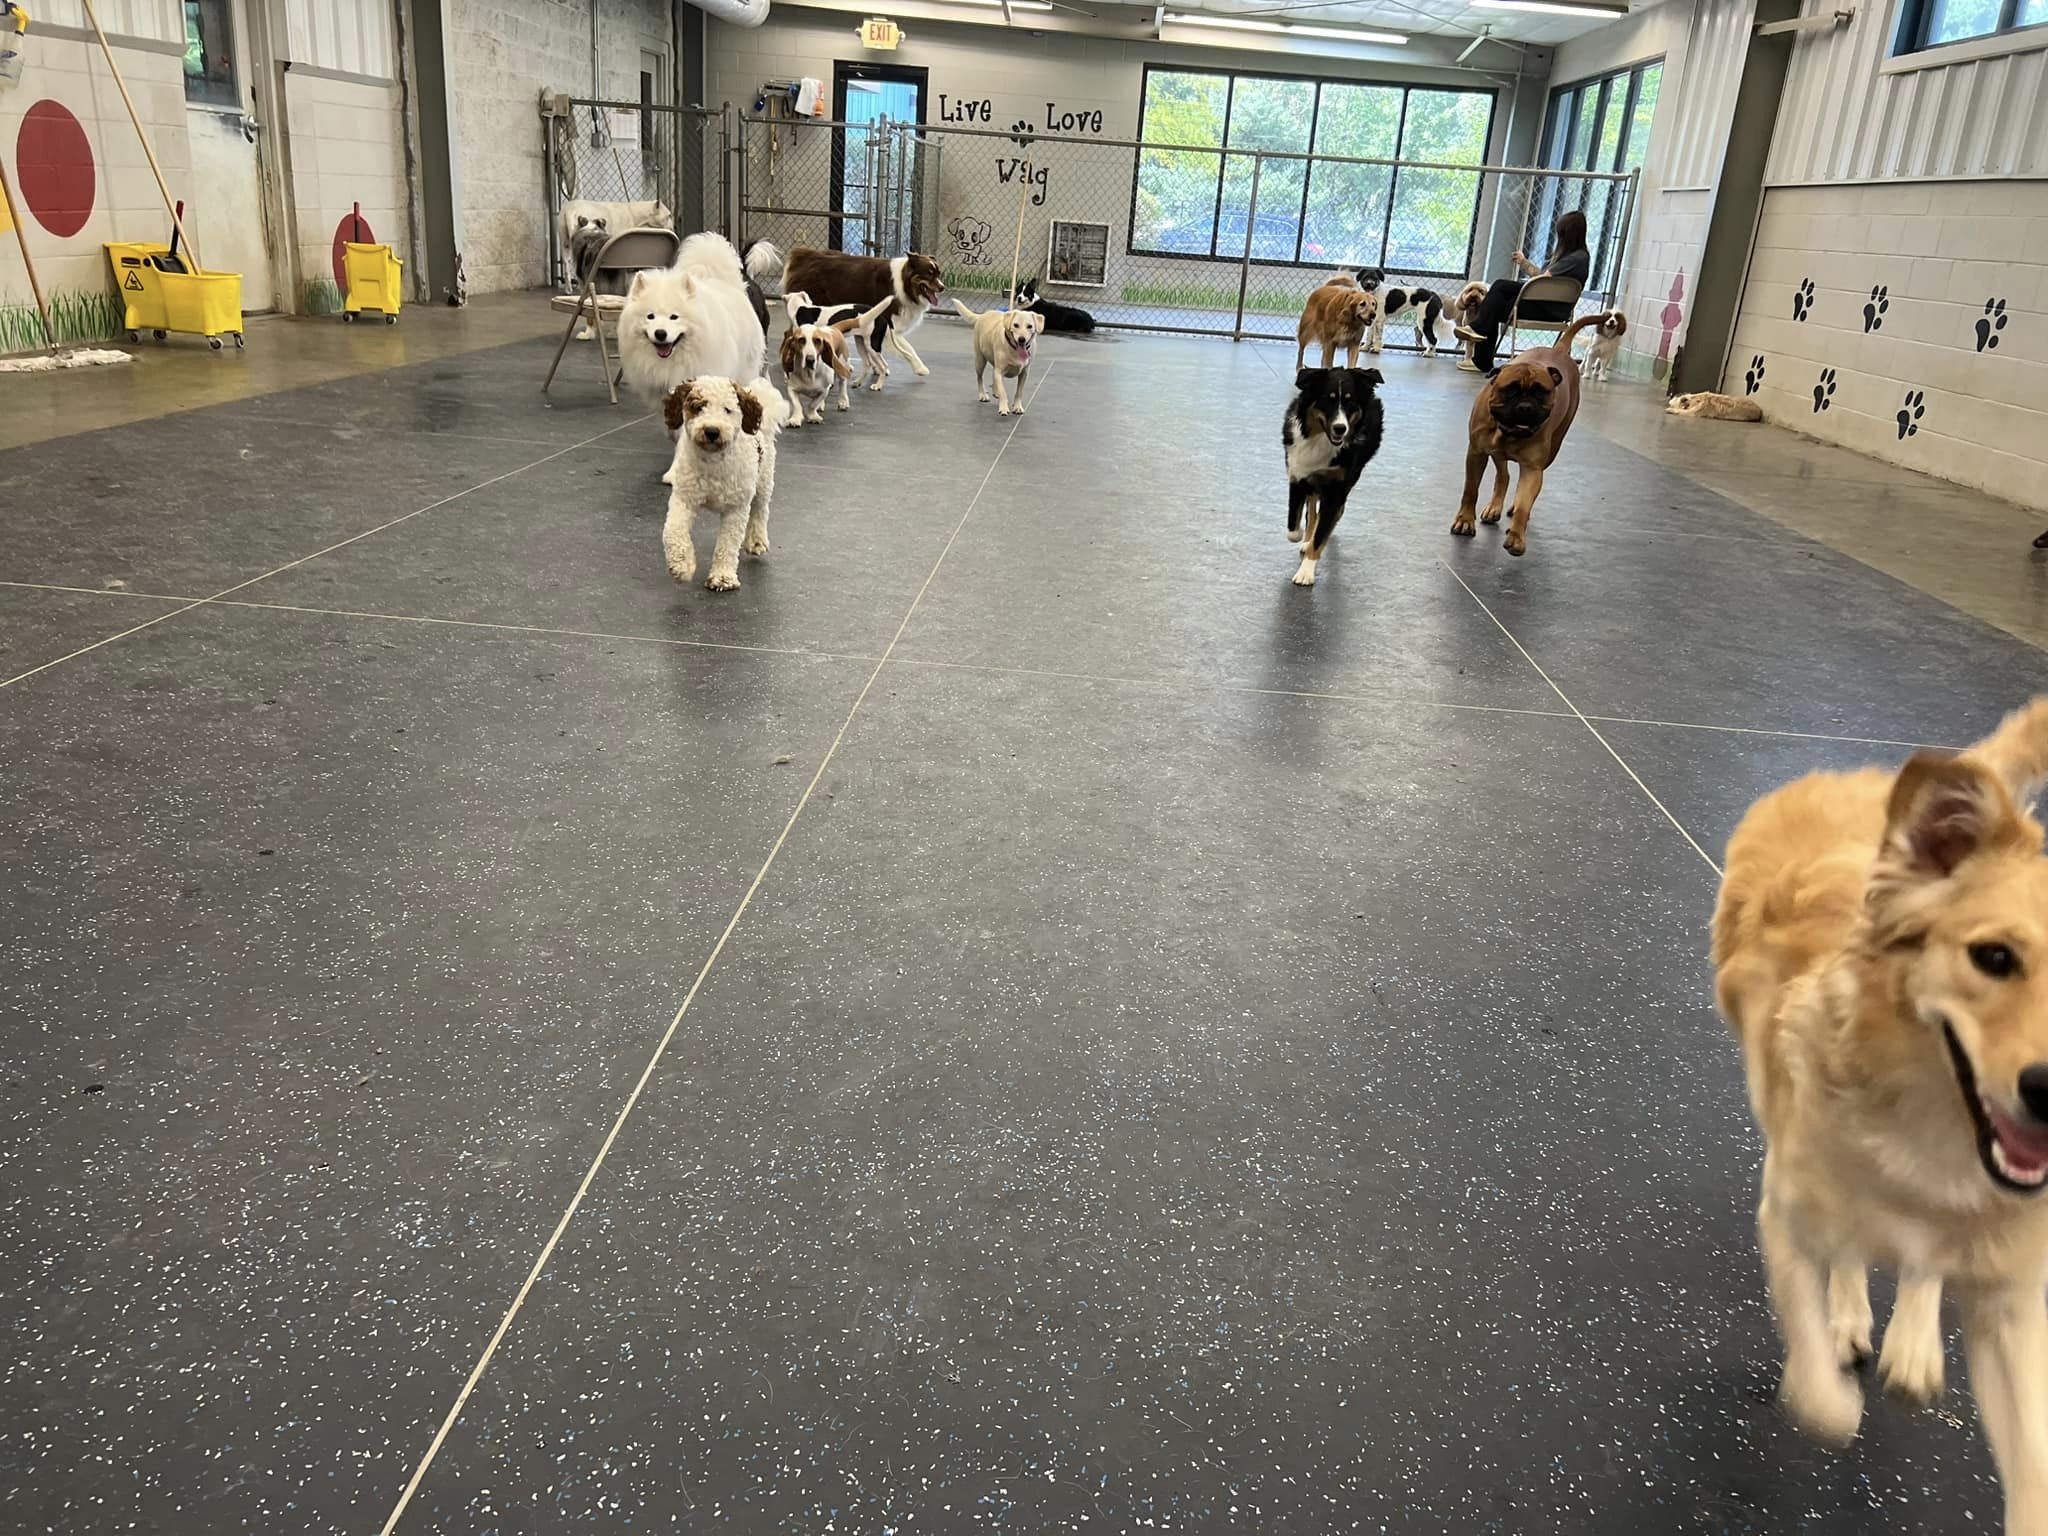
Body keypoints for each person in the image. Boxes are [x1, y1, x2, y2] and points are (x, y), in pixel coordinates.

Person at [1455, 209, 1592, 374]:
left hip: (1547, 309)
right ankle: (1479, 340)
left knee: (1497, 293)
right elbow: (1543, 279)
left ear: (1566, 235)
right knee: (1497, 296)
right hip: (1549, 307)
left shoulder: (1575, 258)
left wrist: (1526, 271)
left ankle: (1480, 349)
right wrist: (1524, 263)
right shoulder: (1578, 257)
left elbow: (1542, 280)